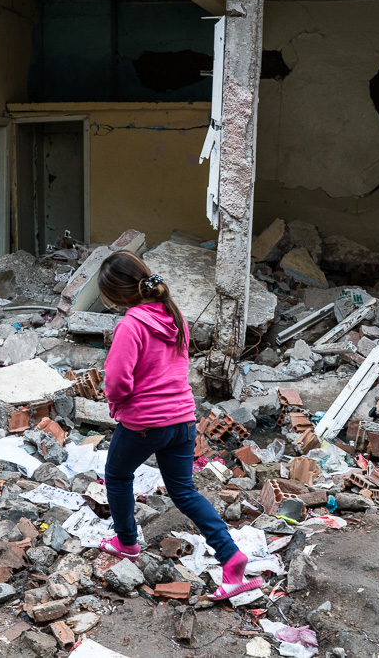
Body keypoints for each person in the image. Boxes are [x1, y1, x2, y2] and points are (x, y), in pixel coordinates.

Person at [97, 251, 263, 601]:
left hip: (144, 421)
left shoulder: (130, 324)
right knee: (184, 491)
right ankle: (231, 559)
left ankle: (126, 543)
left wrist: (117, 404)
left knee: (117, 475)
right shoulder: (174, 316)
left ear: (117, 294)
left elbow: (116, 380)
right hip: (184, 419)